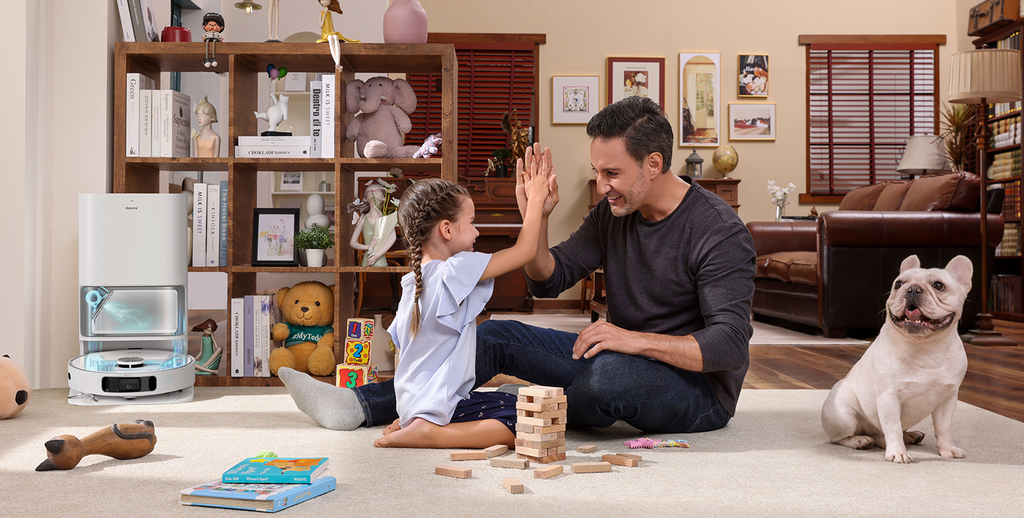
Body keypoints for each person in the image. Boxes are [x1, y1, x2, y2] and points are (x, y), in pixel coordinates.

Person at [280, 96, 754, 435]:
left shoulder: (718, 231)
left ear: (653, 163)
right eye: (597, 172)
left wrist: (630, 340)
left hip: (696, 392)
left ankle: (503, 410)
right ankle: (358, 406)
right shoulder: (614, 213)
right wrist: (538, 218)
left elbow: (729, 346)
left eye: (613, 173)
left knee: (606, 380)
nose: (603, 184)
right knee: (491, 336)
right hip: (616, 356)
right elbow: (551, 278)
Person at [281, 167, 553, 448]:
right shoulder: (454, 270)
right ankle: (432, 433)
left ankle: (413, 423)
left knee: (510, 398)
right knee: (523, 422)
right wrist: (535, 201)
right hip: (437, 405)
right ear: (446, 229)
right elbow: (524, 252)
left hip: (411, 402)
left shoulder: (412, 283)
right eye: (472, 222)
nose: (477, 230)